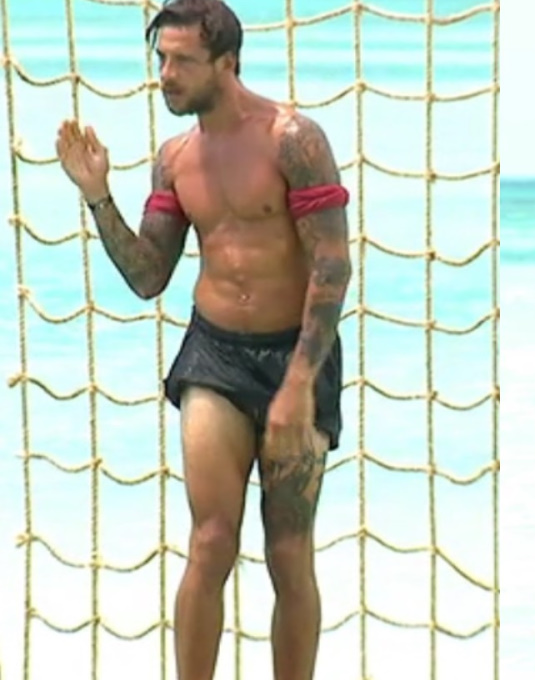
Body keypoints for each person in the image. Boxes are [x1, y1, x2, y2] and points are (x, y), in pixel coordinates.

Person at [54, 1, 351, 678]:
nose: (165, 74)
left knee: (288, 552)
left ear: (227, 63)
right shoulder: (176, 159)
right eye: (161, 59)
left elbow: (332, 267)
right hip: (214, 357)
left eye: (182, 60)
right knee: (211, 541)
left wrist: (298, 387)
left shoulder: (294, 139)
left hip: (296, 358)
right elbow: (148, 276)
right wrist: (98, 195)